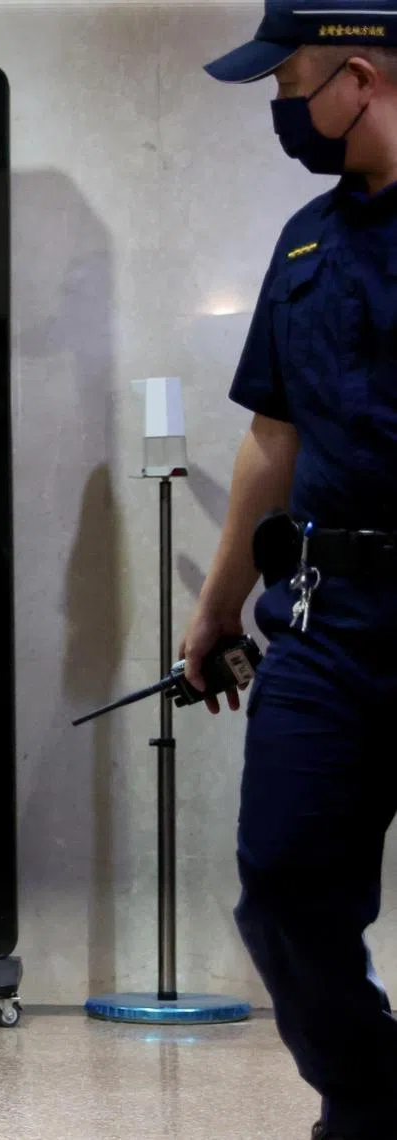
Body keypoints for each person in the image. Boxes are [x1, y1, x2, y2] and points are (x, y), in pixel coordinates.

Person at [192, 5, 397, 1137]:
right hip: (326, 620)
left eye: (290, 84)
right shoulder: (307, 240)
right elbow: (273, 435)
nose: (280, 109)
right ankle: (371, 1103)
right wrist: (215, 605)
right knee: (283, 893)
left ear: (357, 78)